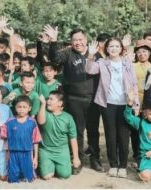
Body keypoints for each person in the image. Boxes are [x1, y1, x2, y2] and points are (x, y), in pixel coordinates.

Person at [44, 25, 102, 172]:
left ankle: (95, 159)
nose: (78, 42)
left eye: (80, 39)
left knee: (93, 131)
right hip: (74, 99)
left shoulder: (95, 53)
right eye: (75, 40)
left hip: (93, 99)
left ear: (86, 39)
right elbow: (54, 59)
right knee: (77, 132)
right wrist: (53, 41)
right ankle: (78, 160)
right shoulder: (68, 53)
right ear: (71, 41)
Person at [86, 37, 139, 178]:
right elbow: (90, 70)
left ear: (121, 48)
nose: (114, 49)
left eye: (117, 46)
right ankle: (113, 165)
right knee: (110, 135)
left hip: (125, 104)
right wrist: (90, 55)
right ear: (106, 49)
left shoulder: (127, 62)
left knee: (123, 136)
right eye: (111, 46)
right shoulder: (102, 62)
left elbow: (134, 84)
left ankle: (123, 166)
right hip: (107, 104)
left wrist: (136, 104)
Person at [37, 91, 81, 179]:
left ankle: (56, 166)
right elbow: (40, 121)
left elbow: (73, 138)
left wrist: (76, 158)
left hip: (61, 150)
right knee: (47, 176)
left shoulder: (68, 118)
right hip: (46, 150)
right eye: (48, 99)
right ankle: (47, 166)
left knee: (65, 175)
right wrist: (42, 104)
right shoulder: (45, 113)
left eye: (51, 99)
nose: (48, 101)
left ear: (60, 103)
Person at [84, 33, 110, 173]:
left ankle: (95, 157)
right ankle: (82, 158)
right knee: (86, 129)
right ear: (100, 43)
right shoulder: (91, 55)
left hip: (102, 98)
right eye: (107, 43)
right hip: (87, 97)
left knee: (96, 130)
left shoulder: (108, 58)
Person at [0, 95, 42, 183]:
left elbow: (36, 140)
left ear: (29, 108)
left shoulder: (32, 122)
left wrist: (35, 157)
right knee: (12, 179)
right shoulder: (9, 122)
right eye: (19, 107)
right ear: (15, 107)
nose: (21, 109)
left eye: (24, 107)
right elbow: (2, 136)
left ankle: (28, 174)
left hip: (27, 152)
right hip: (13, 153)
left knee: (29, 179)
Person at [131, 39, 151, 167]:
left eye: (145, 51)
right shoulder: (132, 66)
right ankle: (137, 156)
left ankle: (149, 156)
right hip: (135, 103)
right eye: (139, 52)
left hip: (150, 104)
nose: (142, 54)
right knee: (135, 131)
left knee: (148, 131)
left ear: (150, 53)